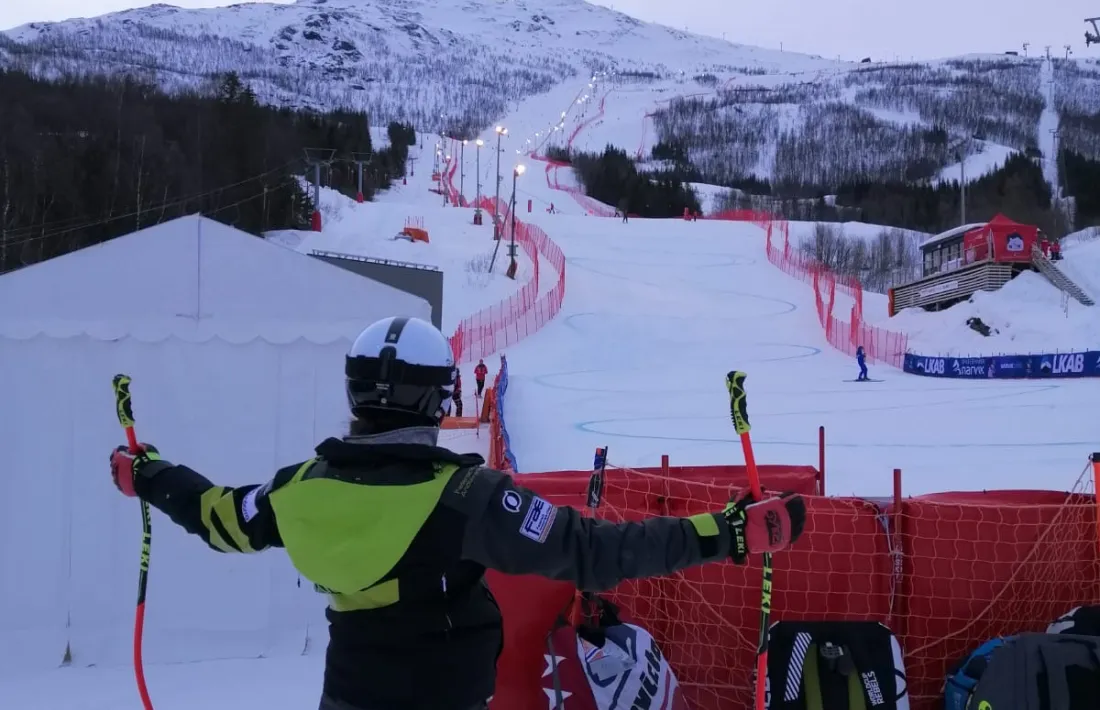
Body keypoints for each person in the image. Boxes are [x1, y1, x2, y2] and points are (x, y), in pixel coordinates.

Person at [108, 316, 806, 710]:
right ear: (439, 402)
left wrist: (150, 475)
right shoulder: (468, 498)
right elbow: (598, 552)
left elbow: (217, 516)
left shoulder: (299, 490)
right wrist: (729, 532)